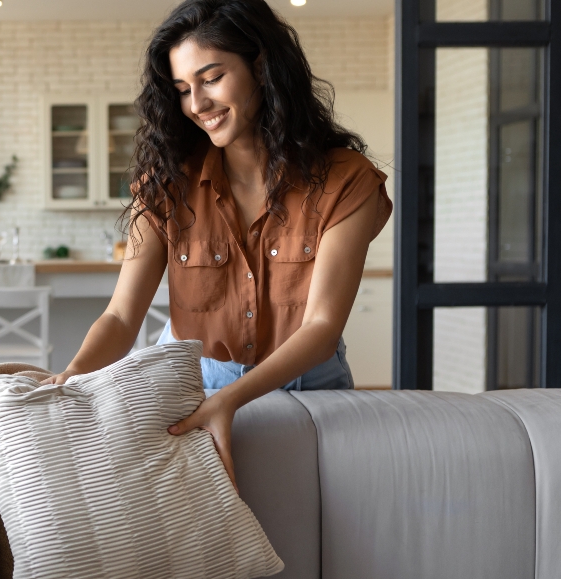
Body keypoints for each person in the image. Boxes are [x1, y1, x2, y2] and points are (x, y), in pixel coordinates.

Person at [42, 0, 392, 487]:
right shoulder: (167, 184)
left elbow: (322, 326)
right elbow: (122, 317)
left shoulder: (344, 180)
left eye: (211, 78)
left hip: (314, 387)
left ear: (262, 67)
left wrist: (230, 401)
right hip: (200, 384)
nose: (197, 104)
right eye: (184, 89)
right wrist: (72, 377)